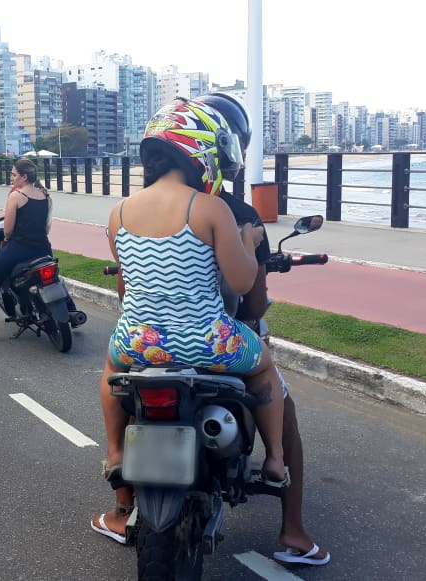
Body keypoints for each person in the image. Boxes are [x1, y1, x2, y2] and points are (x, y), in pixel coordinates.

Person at [90, 97, 290, 545]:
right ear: (200, 150)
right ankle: (276, 458)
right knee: (265, 366)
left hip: (139, 342)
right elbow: (240, 283)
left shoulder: (118, 213)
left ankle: (116, 451)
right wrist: (247, 239)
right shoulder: (209, 208)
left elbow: (126, 293)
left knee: (109, 370)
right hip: (207, 342)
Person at [195, 92, 330, 566]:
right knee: (285, 415)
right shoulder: (240, 215)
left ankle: (122, 502)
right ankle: (292, 529)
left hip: (159, 343)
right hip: (224, 341)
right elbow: (252, 299)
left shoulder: (149, 208)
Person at [0, 158, 82, 339]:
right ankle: (72, 312)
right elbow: (47, 228)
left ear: (24, 177)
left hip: (18, 249)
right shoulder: (46, 196)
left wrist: (7, 239)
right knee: (55, 278)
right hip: (42, 248)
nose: (11, 178)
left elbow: (8, 230)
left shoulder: (16, 196)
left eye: (14, 175)